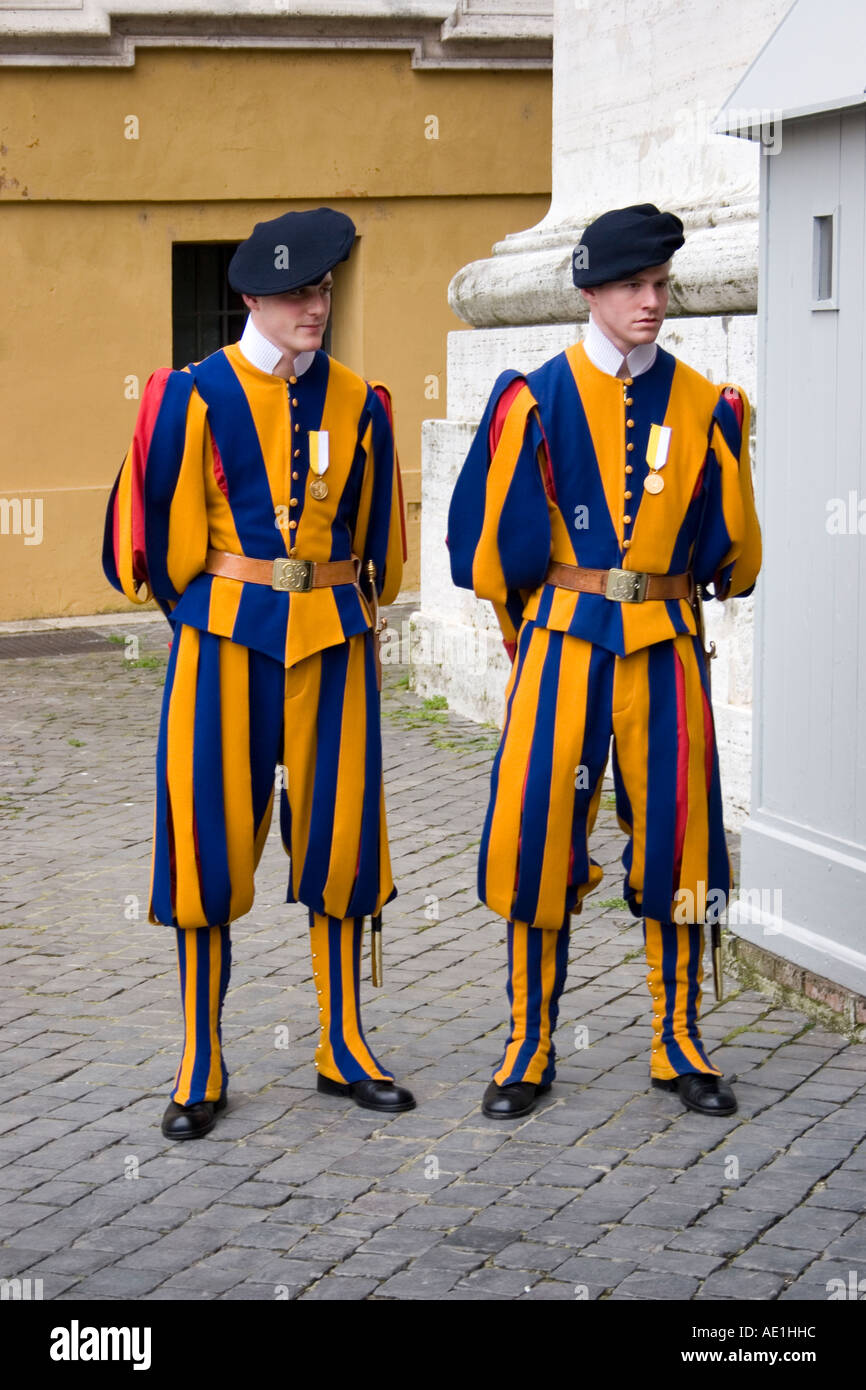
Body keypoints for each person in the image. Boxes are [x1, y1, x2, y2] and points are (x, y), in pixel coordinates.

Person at [104, 207, 415, 1139]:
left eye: (321, 291)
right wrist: (209, 618)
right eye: (294, 295)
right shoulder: (192, 393)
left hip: (334, 639)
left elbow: (380, 554)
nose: (314, 309)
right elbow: (152, 550)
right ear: (251, 297)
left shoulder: (362, 400)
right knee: (206, 845)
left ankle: (344, 1045)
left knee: (343, 838)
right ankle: (201, 1058)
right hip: (222, 643)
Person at [448, 203, 762, 1120]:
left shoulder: (707, 404)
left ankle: (678, 1039)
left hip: (664, 649)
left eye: (661, 286)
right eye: (633, 286)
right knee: (539, 836)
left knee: (680, 838)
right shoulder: (535, 398)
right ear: (592, 292)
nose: (652, 303)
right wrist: (536, 627)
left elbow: (733, 560)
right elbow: (488, 548)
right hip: (563, 650)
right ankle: (528, 1042)